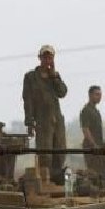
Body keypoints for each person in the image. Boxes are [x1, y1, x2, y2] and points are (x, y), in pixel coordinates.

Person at [22, 45, 68, 183]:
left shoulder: (54, 76)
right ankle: (44, 181)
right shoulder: (31, 77)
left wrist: (54, 76)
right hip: (42, 120)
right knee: (44, 153)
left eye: (50, 57)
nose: (47, 60)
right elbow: (28, 100)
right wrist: (29, 122)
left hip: (56, 119)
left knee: (60, 150)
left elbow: (62, 93)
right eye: (45, 57)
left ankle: (57, 179)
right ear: (40, 58)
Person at [80, 85, 105, 178]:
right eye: (97, 94)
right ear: (90, 95)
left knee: (102, 172)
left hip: (99, 145)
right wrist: (93, 144)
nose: (99, 97)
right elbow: (85, 129)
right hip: (91, 146)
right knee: (93, 173)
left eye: (100, 95)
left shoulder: (96, 111)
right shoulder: (86, 110)